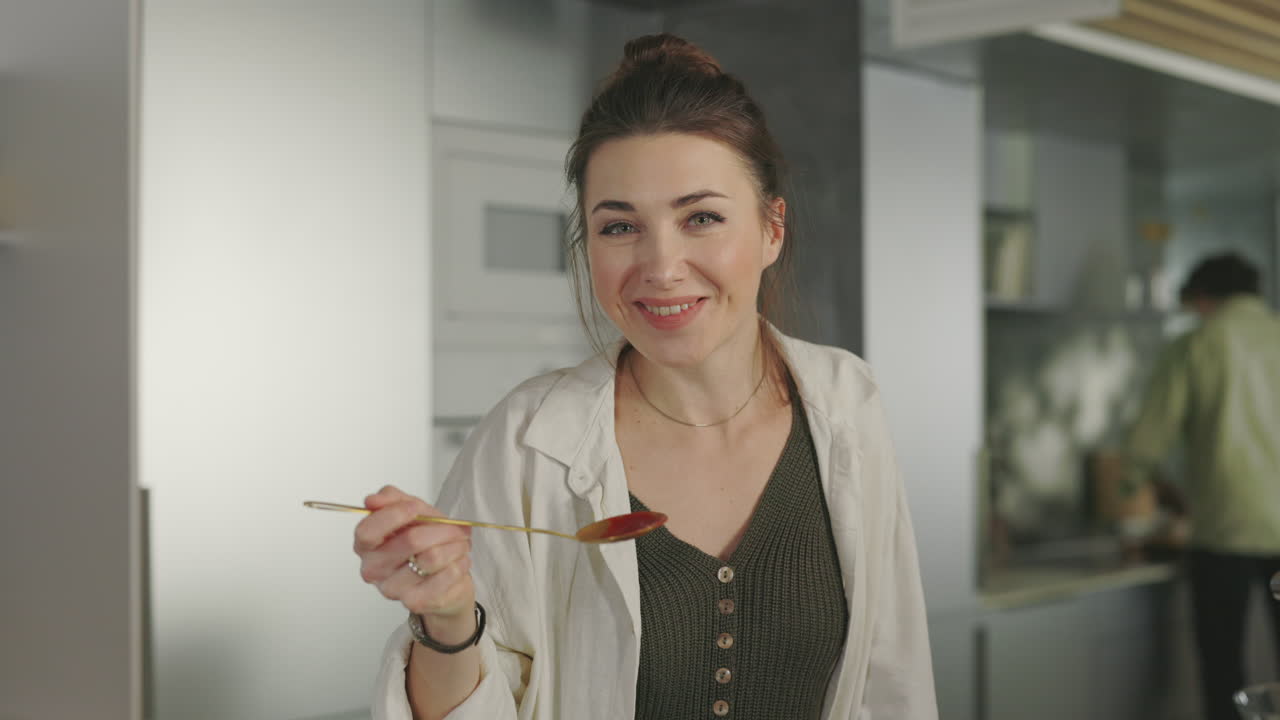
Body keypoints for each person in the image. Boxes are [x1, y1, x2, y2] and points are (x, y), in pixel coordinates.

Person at [352, 34, 937, 720]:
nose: (660, 266)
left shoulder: (847, 404)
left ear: (772, 229)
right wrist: (448, 620)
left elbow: (893, 680)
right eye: (620, 227)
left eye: (702, 218)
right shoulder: (527, 441)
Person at [1125, 252, 1280, 720]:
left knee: (1223, 670)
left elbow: (1146, 440)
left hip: (1223, 531)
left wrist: (1131, 487)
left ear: (1204, 299)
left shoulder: (1198, 343)